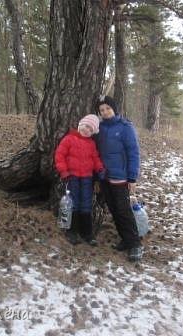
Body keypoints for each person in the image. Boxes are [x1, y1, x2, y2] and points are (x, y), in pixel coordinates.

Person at [95, 95, 143, 262]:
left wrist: (132, 177)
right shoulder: (99, 128)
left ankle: (135, 244)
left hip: (121, 177)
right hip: (105, 176)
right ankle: (125, 239)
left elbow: (133, 152)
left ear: (114, 109)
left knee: (123, 210)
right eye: (102, 110)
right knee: (114, 209)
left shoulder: (125, 127)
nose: (105, 112)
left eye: (108, 108)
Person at [54, 114, 105, 246]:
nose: (87, 130)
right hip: (72, 177)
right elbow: (60, 155)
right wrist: (63, 171)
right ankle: (72, 231)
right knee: (74, 203)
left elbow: (95, 158)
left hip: (87, 178)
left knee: (86, 203)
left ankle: (87, 233)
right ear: (80, 125)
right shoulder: (69, 139)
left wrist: (99, 168)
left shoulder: (92, 144)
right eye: (86, 126)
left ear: (93, 133)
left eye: (90, 129)